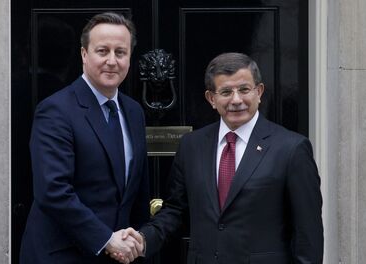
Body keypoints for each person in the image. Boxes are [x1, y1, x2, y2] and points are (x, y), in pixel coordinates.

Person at [115, 52, 323, 263]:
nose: (236, 100)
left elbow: (308, 234)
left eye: (244, 90)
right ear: (211, 99)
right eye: (226, 92)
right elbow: (176, 210)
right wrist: (143, 239)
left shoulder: (292, 148)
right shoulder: (191, 146)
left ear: (259, 92)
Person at [20, 12, 149, 264]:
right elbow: (53, 191)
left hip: (118, 255)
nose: (112, 60)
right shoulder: (56, 110)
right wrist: (105, 239)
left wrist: (139, 239)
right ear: (83, 54)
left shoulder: (134, 112)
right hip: (63, 255)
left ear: (129, 58)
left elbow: (136, 191)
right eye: (103, 51)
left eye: (120, 52)